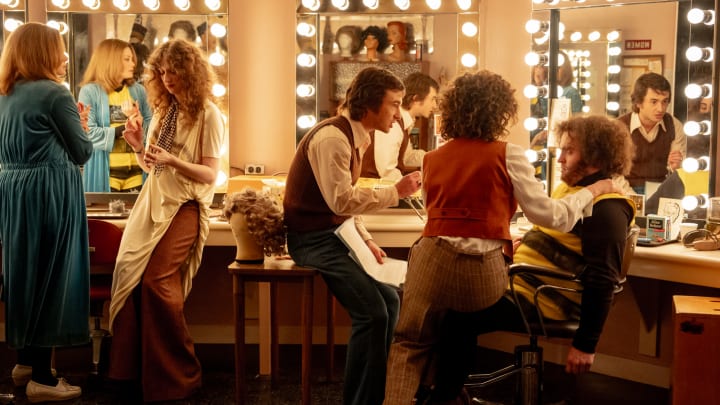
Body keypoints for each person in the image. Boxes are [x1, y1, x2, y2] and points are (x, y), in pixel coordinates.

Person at [383, 72, 621, 405]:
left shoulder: (431, 158)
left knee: (409, 342)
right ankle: (446, 393)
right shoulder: (509, 154)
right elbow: (554, 216)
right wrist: (593, 191)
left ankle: (422, 395)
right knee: (458, 318)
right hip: (479, 276)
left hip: (431, 262)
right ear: (499, 111)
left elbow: (436, 212)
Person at [422, 115, 636, 404]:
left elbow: (603, 279)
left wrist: (585, 345)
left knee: (457, 316)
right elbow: (557, 234)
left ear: (596, 157)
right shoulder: (575, 190)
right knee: (447, 303)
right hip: (526, 286)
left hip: (544, 298)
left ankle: (444, 397)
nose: (559, 159)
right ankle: (450, 388)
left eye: (569, 151)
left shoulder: (607, 207)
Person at [283, 66, 422, 405]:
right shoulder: (332, 138)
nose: (399, 114)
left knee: (390, 300)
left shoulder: (355, 135)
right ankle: (362, 400)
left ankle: (374, 394)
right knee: (373, 312)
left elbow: (346, 202)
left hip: (335, 234)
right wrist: (397, 192)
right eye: (394, 104)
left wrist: (367, 238)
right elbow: (340, 199)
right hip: (312, 240)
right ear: (371, 103)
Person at [107, 39, 225, 402]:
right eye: (162, 71)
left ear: (190, 73)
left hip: (185, 206)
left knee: (157, 281)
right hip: (152, 203)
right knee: (129, 278)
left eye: (174, 71)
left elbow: (209, 174)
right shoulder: (164, 110)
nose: (167, 78)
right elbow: (152, 166)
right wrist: (139, 145)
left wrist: (173, 161)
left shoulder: (209, 114)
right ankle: (131, 376)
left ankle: (179, 376)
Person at [0, 22, 92, 402]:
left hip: (13, 190)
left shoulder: (6, 93)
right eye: (58, 48)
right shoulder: (54, 94)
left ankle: (24, 364)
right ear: (44, 52)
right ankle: (43, 379)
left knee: (24, 275)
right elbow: (82, 151)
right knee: (53, 277)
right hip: (49, 192)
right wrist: (82, 126)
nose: (64, 55)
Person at [78, 38, 153, 192]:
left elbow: (152, 130)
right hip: (105, 174)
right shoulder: (90, 92)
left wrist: (139, 123)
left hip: (138, 174)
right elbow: (88, 133)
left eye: (132, 59)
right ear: (110, 60)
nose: (133, 64)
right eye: (127, 59)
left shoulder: (138, 91)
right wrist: (125, 129)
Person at [360, 72, 439, 181]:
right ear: (415, 99)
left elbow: (407, 157)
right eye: (433, 99)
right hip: (372, 190)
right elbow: (386, 170)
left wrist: (438, 157)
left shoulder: (404, 122)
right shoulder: (393, 124)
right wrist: (413, 185)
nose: (435, 105)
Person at [618, 72, 687, 195]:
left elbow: (677, 172)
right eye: (654, 102)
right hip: (626, 190)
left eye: (665, 101)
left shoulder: (674, 125)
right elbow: (614, 175)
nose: (661, 108)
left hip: (662, 190)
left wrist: (675, 167)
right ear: (638, 102)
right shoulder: (619, 127)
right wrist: (633, 198)